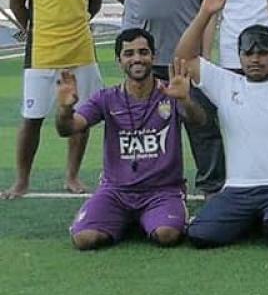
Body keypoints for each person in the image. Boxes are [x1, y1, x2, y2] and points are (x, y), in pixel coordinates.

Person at [102, 0, 223, 196]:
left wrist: (204, 50)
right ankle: (144, 189)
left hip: (186, 57)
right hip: (142, 56)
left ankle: (213, 190)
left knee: (202, 124)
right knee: (142, 129)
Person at [173, 0, 268, 247]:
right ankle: (250, 218)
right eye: (248, 53)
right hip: (239, 188)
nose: (255, 59)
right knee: (200, 235)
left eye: (263, 53)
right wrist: (206, 13)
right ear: (239, 56)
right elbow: (184, 58)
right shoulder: (227, 84)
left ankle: (264, 218)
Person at [54, 29, 206, 250]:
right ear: (119, 61)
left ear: (153, 57)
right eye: (129, 54)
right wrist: (65, 108)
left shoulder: (170, 91)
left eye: (143, 52)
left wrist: (186, 100)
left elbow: (199, 120)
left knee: (167, 235)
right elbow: (67, 128)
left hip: (162, 191)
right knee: (84, 239)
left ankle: (148, 218)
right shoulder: (106, 98)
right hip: (116, 191)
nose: (137, 59)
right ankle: (132, 219)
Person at [4, 0, 103, 198]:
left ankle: (72, 177)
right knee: (31, 119)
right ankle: (22, 181)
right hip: (42, 52)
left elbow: (94, 4)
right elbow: (17, 3)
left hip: (81, 51)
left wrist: (74, 25)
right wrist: (33, 28)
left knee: (82, 117)